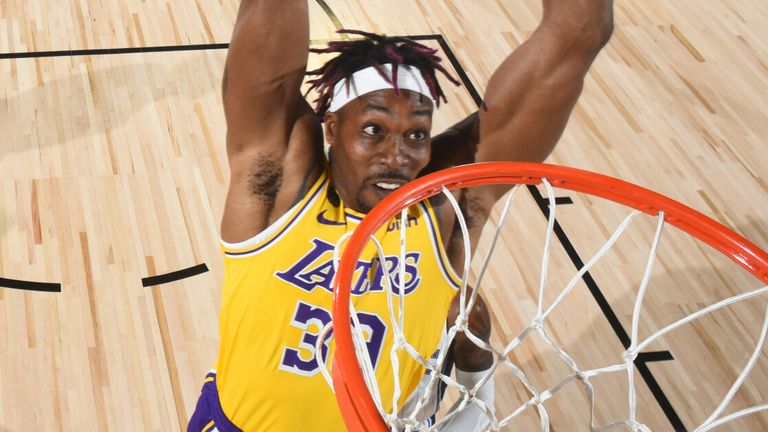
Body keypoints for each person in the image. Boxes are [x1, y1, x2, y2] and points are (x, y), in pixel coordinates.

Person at [188, 0, 613, 430]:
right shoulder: (277, 184)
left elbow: (577, 34)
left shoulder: (447, 207)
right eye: (373, 130)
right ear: (332, 127)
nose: (396, 157)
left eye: (416, 136)